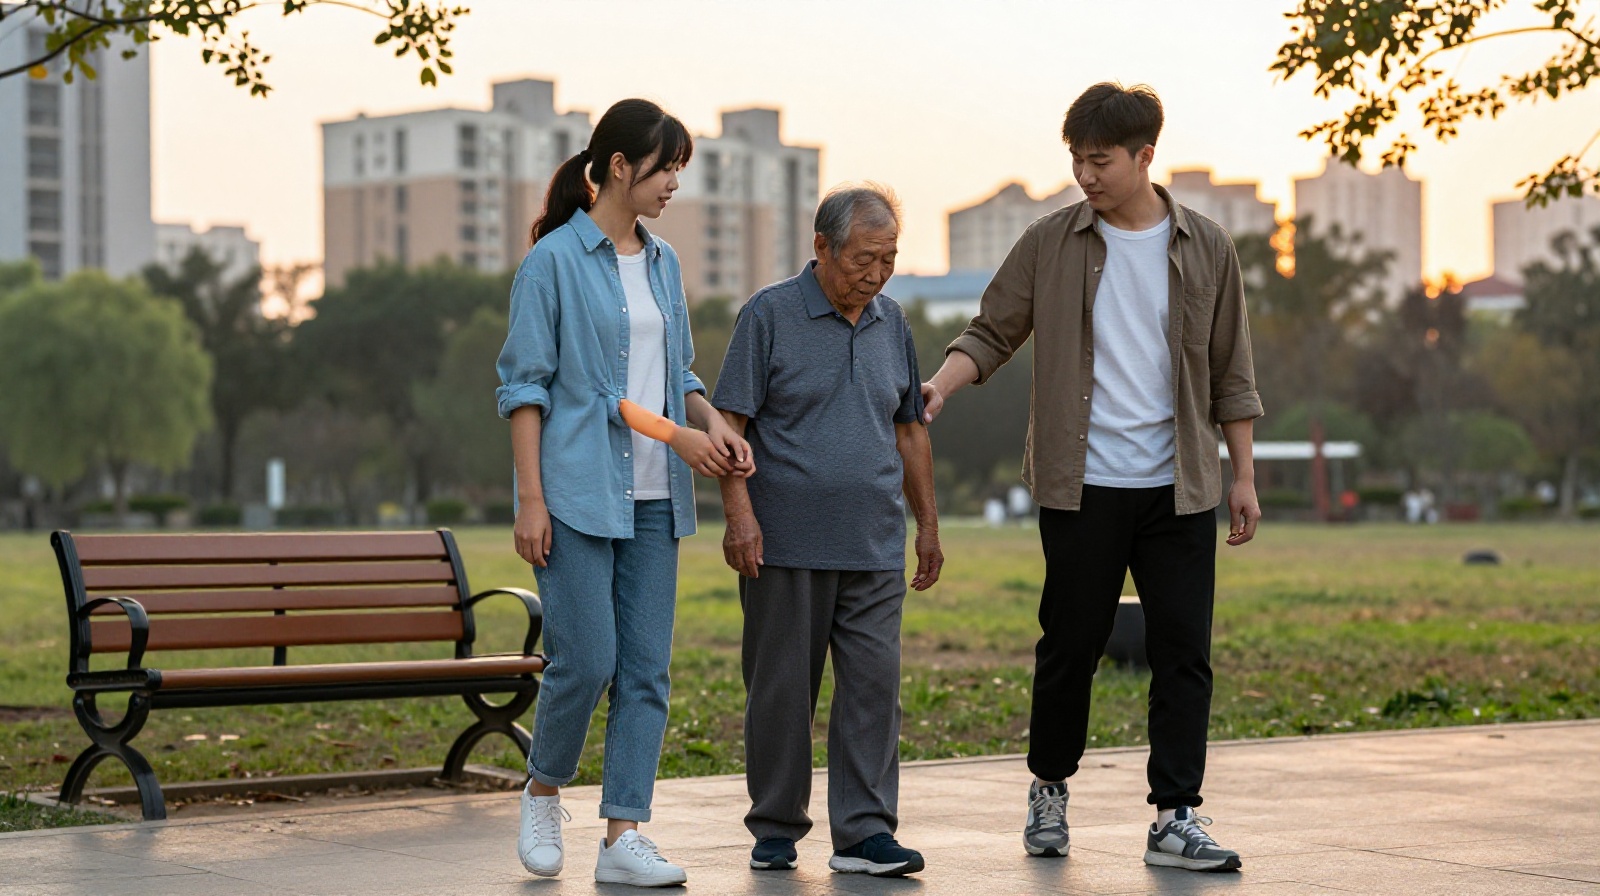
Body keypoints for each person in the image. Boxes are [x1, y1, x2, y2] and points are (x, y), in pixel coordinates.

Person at [920, 83, 1263, 873]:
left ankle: (1176, 816)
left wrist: (1240, 474)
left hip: (1180, 486)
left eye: (1100, 159)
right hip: (1083, 484)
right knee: (1069, 644)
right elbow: (992, 329)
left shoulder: (1207, 245)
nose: (1084, 174)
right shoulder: (1050, 241)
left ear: (1145, 157)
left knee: (1185, 650)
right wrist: (942, 384)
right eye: (1075, 158)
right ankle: (1049, 790)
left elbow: (1230, 371)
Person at [497, 98, 752, 888]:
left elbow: (677, 376)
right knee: (587, 660)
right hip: (575, 492)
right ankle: (543, 791)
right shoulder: (552, 264)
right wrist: (530, 499)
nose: (675, 181)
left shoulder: (666, 263)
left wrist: (714, 422)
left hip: (654, 498)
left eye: (680, 167)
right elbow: (527, 389)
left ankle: (622, 837)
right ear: (617, 166)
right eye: (665, 165)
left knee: (646, 671)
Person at [713, 184, 941, 878]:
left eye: (889, 259)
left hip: (874, 541)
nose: (874, 274)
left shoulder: (891, 322)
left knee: (875, 688)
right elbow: (731, 428)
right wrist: (739, 515)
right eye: (862, 259)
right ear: (821, 248)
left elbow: (908, 430)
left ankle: (865, 834)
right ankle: (776, 829)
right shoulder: (769, 315)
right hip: (785, 543)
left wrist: (928, 524)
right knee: (782, 691)